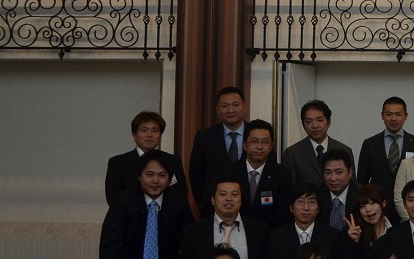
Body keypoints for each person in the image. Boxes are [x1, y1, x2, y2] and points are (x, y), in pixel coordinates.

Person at [180, 172, 268, 259]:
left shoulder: (260, 229)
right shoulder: (194, 232)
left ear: (241, 200)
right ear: (213, 200)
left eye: (235, 194)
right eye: (223, 194)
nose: (229, 199)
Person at [263, 183, 347, 259]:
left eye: (311, 202)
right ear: (291, 208)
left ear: (318, 208)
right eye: (300, 201)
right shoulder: (275, 237)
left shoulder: (333, 236)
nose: (306, 208)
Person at [187, 86, 248, 216]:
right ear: (218, 109)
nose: (230, 110)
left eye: (235, 105)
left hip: (251, 210)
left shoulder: (257, 134)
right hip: (213, 210)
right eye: (225, 106)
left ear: (244, 106)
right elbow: (196, 175)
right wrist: (204, 203)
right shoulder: (205, 137)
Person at [104, 110, 186, 203]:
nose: (149, 135)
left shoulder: (173, 161)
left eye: (155, 131)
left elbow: (181, 195)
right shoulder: (118, 163)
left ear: (160, 136)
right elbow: (113, 199)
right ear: (134, 135)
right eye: (144, 130)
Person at [281, 99, 352, 192]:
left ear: (329, 122)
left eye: (320, 120)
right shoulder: (292, 153)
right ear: (303, 125)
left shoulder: (345, 150)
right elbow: (289, 189)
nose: (315, 125)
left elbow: (351, 186)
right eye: (309, 121)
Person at [235, 119, 292, 230]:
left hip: (270, 234)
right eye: (254, 141)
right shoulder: (230, 172)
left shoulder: (282, 175)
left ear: (271, 147)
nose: (259, 147)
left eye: (265, 142)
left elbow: (283, 214)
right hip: (236, 232)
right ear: (244, 145)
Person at [356, 97, 414, 201]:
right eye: (389, 114)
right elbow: (361, 181)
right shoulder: (370, 144)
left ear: (406, 116)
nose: (393, 119)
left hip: (408, 202)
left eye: (398, 114)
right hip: (377, 202)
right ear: (382, 116)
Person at [320, 149, 362, 231]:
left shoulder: (362, 194)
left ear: (350, 172)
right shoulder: (316, 194)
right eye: (328, 173)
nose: (333, 178)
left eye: (338, 172)